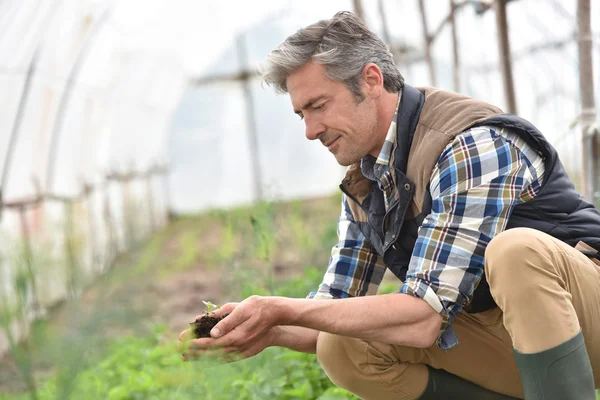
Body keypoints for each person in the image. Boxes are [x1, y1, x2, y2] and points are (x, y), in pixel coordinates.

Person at [180, 11, 600, 400]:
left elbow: (423, 317)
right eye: (300, 114)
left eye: (318, 106)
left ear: (371, 80)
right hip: (513, 334)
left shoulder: (469, 145)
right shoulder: (368, 180)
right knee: (342, 347)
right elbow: (333, 310)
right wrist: (268, 327)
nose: (310, 131)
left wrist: (278, 307)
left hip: (584, 320)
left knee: (515, 252)